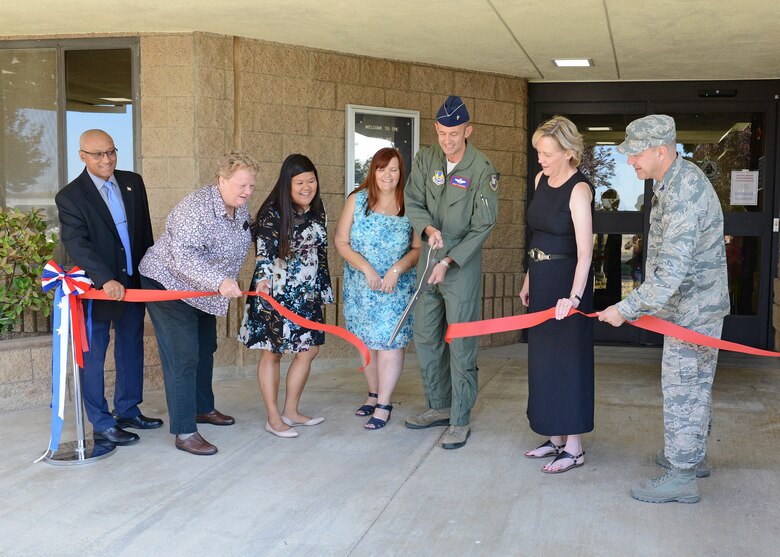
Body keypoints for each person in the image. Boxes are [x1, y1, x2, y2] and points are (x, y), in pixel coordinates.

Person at [598, 115, 729, 503]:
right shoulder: (670, 183)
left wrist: (626, 308)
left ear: (660, 150)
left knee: (683, 389)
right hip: (690, 308)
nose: (629, 162)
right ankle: (691, 456)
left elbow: (670, 272)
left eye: (635, 154)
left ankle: (682, 475)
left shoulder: (684, 189)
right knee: (694, 387)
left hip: (693, 312)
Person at [139, 151, 258, 456]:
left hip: (203, 290)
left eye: (251, 186)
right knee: (184, 353)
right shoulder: (195, 208)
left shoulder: (239, 209)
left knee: (206, 346)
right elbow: (183, 258)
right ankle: (184, 431)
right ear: (222, 180)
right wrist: (220, 282)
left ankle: (202, 409)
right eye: (241, 186)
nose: (247, 192)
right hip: (168, 283)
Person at [55, 129, 162, 447]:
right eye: (98, 154)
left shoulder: (133, 182)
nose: (107, 159)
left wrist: (150, 274)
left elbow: (144, 233)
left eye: (111, 151)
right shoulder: (70, 196)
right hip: (98, 289)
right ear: (83, 156)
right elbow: (77, 244)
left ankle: (128, 410)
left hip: (133, 285)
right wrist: (105, 278)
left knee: (131, 347)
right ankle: (101, 423)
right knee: (95, 356)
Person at [403, 95, 499, 449]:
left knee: (460, 343)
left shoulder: (482, 169)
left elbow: (484, 225)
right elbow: (413, 201)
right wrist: (428, 230)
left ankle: (459, 418)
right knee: (426, 338)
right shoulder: (426, 158)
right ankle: (439, 406)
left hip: (459, 266)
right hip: (428, 260)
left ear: (468, 131)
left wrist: (449, 260)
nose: (447, 140)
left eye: (455, 133)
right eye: (442, 132)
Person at [238, 154, 333, 439]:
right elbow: (264, 255)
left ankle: (291, 410)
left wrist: (323, 289)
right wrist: (265, 285)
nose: (307, 187)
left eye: (311, 180)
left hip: (307, 293)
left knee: (309, 349)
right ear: (287, 184)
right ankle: (273, 417)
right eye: (300, 182)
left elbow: (321, 252)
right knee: (274, 351)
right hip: (277, 292)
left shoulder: (317, 209)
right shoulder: (273, 212)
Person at [519, 116, 594, 473]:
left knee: (568, 362)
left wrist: (574, 297)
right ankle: (554, 437)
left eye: (547, 153)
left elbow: (586, 253)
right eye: (539, 152)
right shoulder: (540, 180)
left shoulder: (580, 189)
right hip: (542, 278)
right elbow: (537, 234)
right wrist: (528, 277)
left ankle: (575, 447)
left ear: (568, 152)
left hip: (568, 283)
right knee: (544, 361)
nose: (541, 159)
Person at [335, 147, 421, 430]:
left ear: (401, 173)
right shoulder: (357, 200)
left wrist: (396, 269)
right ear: (373, 171)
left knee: (391, 344)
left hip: (395, 288)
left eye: (394, 169)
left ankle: (384, 403)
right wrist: (366, 268)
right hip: (362, 286)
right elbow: (341, 242)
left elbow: (418, 248)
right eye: (382, 169)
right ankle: (373, 394)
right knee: (367, 343)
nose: (387, 175)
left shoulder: (410, 204)